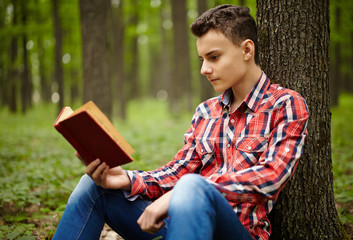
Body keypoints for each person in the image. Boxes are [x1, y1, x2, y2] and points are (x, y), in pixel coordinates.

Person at [53, 4, 309, 240]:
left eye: (214, 57)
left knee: (192, 185)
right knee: (94, 186)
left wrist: (192, 190)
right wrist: (128, 180)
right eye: (202, 60)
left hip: (237, 232)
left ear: (246, 50)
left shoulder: (284, 104)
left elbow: (271, 176)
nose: (204, 69)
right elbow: (180, 170)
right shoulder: (206, 112)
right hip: (180, 226)